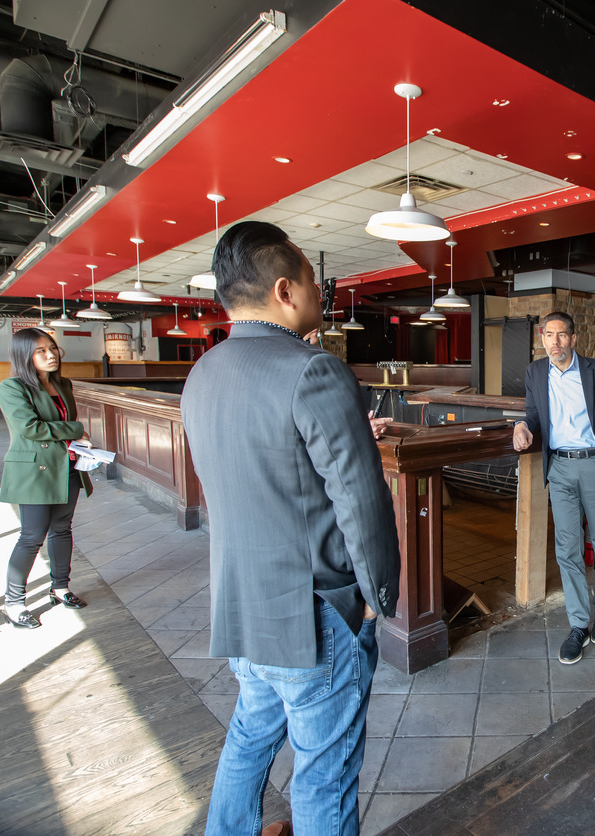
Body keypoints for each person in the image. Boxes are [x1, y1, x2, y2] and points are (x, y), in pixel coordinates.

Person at [181, 221, 401, 836]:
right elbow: (361, 502)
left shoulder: (202, 373)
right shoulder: (314, 371)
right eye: (311, 277)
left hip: (241, 607)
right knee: (324, 773)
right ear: (285, 288)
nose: (318, 290)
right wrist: (376, 600)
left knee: (250, 738)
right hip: (312, 616)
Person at [513, 311, 595, 665]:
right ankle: (578, 625)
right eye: (548, 335)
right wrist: (522, 425)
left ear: (573, 339)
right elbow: (532, 412)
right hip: (558, 467)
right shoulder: (535, 372)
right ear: (542, 338)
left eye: (561, 335)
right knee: (566, 548)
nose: (554, 341)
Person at [0, 327, 94, 629]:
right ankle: (13, 603)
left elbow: (57, 423)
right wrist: (76, 430)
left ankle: (60, 587)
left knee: (62, 530)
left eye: (52, 348)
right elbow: (31, 428)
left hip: (66, 467)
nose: (51, 355)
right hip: (35, 471)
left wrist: (75, 442)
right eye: (41, 350)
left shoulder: (62, 384)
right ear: (24, 355)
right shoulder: (12, 387)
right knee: (31, 537)